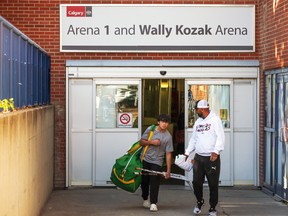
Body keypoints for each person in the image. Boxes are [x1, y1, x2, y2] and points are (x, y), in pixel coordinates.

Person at [184, 100, 225, 216]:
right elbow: (194, 139)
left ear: (202, 109)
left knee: (213, 184)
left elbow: (220, 137)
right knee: (196, 182)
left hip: (211, 158)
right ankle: (199, 201)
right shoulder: (198, 122)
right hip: (199, 157)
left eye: (196, 109)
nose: (196, 111)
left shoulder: (215, 120)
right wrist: (187, 152)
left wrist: (216, 151)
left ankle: (212, 208)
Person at [140, 114, 174, 212]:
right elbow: (141, 142)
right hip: (145, 158)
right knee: (144, 181)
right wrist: (151, 142)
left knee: (154, 180)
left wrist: (168, 170)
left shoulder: (168, 137)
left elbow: (168, 154)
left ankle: (154, 203)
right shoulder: (151, 129)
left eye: (166, 122)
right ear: (158, 122)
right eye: (162, 121)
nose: (164, 124)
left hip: (157, 161)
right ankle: (145, 198)